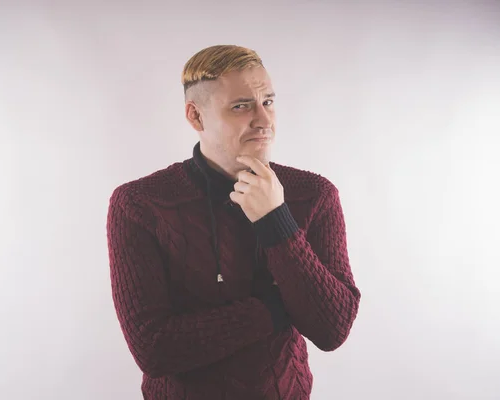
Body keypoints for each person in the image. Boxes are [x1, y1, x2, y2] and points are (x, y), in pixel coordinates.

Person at [106, 44, 361, 399]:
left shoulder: (313, 194)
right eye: (241, 106)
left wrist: (277, 221)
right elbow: (154, 349)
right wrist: (274, 307)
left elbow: (332, 329)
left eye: (268, 102)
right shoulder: (141, 204)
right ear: (195, 117)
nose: (264, 120)